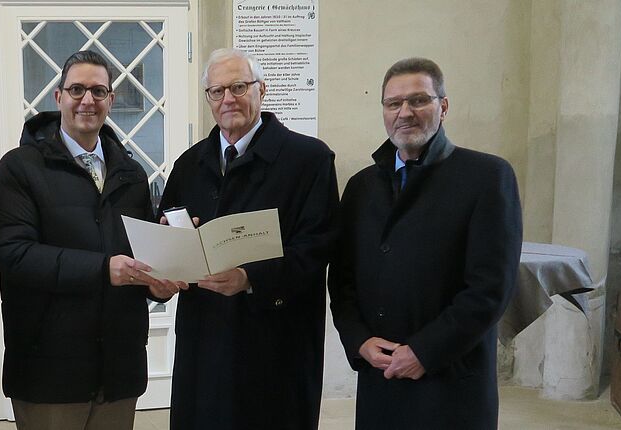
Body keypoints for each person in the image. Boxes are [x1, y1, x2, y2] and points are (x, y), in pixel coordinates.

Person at [0, 50, 183, 430]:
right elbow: (14, 254)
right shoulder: (20, 168)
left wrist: (159, 283)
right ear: (58, 97)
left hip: (119, 368)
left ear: (110, 99)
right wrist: (102, 269)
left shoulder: (131, 173)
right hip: (49, 370)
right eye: (77, 89)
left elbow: (139, 259)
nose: (87, 100)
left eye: (98, 90)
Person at [328, 57, 523, 429]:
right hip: (380, 376)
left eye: (418, 100)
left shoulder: (487, 177)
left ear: (443, 106)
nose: (405, 112)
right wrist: (359, 341)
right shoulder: (362, 186)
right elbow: (342, 279)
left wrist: (424, 351)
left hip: (450, 378)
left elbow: (490, 288)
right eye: (393, 103)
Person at [159, 48, 339, 430]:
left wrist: (250, 277)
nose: (228, 99)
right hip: (203, 338)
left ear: (262, 90)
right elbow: (168, 230)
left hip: (274, 341)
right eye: (217, 91)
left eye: (239, 87)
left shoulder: (309, 159)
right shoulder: (189, 165)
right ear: (207, 98)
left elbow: (318, 246)